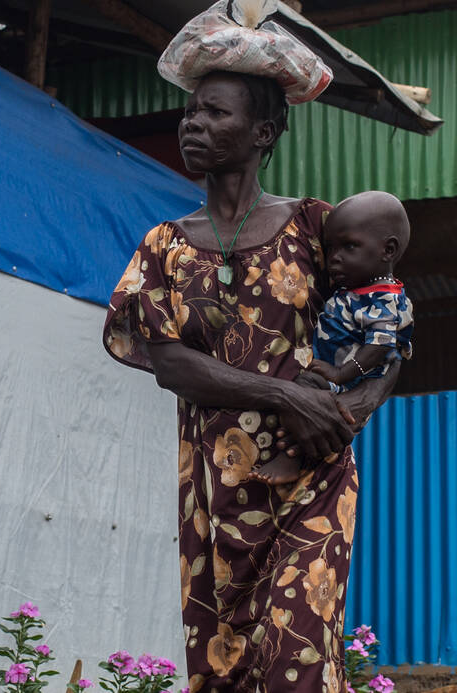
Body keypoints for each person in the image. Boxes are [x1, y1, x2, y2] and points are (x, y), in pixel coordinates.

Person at [102, 69, 399, 692]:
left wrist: (346, 415)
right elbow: (169, 362)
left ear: (263, 132)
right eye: (190, 113)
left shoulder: (316, 228)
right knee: (224, 671)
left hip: (309, 476)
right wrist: (286, 393)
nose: (193, 124)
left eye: (214, 114)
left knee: (299, 659)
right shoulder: (165, 247)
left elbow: (389, 333)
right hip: (215, 490)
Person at [251, 191, 414, 484]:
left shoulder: (385, 301)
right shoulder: (356, 289)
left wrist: (342, 374)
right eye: (330, 247)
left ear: (387, 251)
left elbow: (381, 346)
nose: (334, 257)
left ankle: (293, 458)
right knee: (304, 391)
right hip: (336, 373)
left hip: (350, 379)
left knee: (305, 395)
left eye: (349, 246)